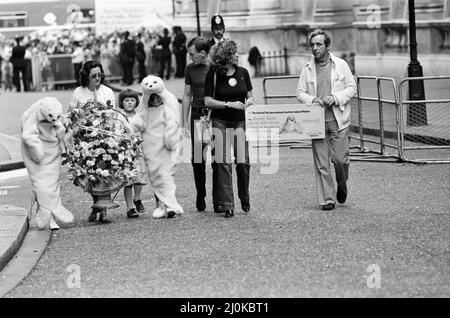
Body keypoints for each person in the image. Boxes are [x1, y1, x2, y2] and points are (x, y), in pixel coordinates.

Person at [296, 29, 357, 211]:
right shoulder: (307, 69)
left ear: (327, 46)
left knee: (339, 160)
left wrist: (336, 97)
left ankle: (342, 184)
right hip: (316, 122)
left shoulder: (341, 65)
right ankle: (328, 199)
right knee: (322, 163)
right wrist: (311, 99)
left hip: (338, 120)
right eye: (312, 45)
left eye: (319, 44)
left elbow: (352, 87)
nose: (315, 48)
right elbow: (300, 93)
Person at [204, 40, 253, 218]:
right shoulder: (214, 74)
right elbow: (208, 101)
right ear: (225, 56)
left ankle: (244, 197)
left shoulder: (243, 73)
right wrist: (228, 104)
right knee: (223, 163)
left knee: (243, 161)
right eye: (234, 54)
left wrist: (251, 100)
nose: (238, 56)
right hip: (220, 122)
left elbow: (249, 95)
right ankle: (227, 204)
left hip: (240, 122)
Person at [68, 61, 117, 223]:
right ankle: (97, 204)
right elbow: (71, 114)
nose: (97, 78)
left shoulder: (108, 91)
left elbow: (113, 114)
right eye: (93, 76)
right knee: (88, 176)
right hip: (84, 138)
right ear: (86, 76)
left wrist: (109, 135)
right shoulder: (78, 92)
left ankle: (103, 210)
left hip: (104, 137)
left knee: (104, 173)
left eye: (99, 75)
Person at [181, 36, 211, 212]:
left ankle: (221, 197)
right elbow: (186, 95)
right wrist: (184, 120)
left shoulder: (215, 68)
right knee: (197, 158)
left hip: (215, 116)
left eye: (192, 54)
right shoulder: (190, 69)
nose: (190, 57)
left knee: (218, 157)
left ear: (203, 53)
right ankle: (201, 194)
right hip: (198, 116)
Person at [117, 89, 147, 219]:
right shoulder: (119, 116)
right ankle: (130, 207)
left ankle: (137, 198)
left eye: (132, 100)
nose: (129, 103)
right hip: (125, 152)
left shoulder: (140, 116)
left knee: (139, 178)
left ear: (136, 102)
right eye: (126, 100)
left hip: (138, 151)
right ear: (121, 102)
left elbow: (145, 129)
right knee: (128, 181)